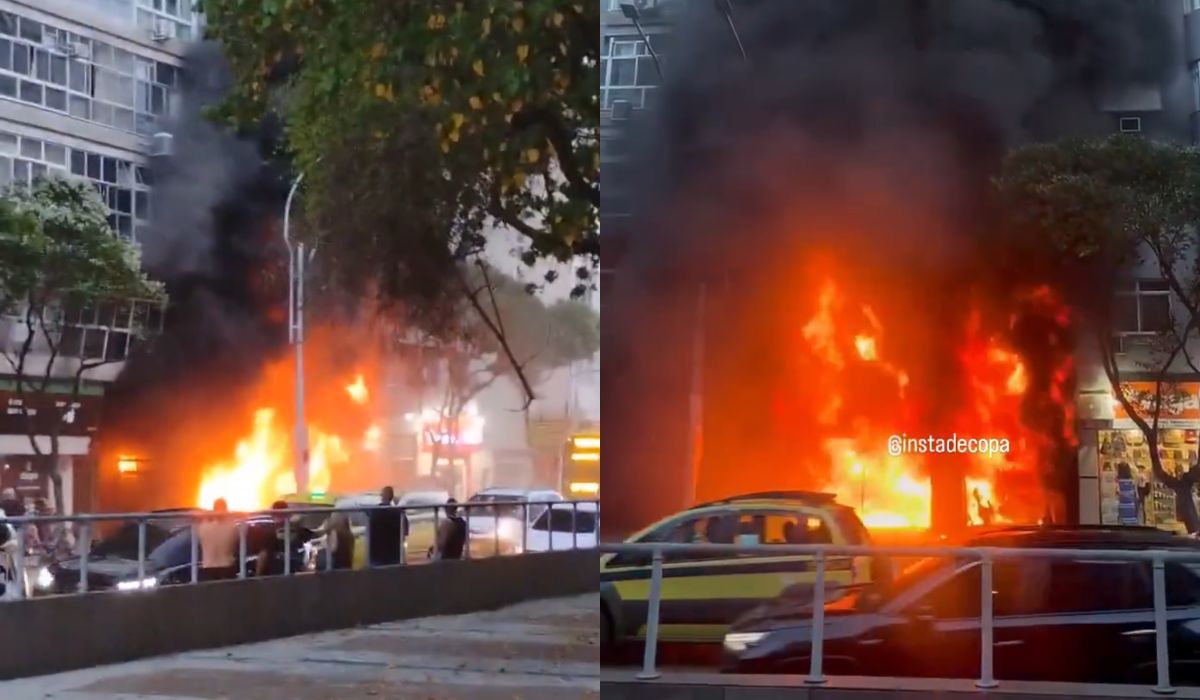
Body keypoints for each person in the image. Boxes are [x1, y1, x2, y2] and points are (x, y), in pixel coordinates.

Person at [197, 498, 237, 581]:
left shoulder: (203, 528)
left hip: (208, 568)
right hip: (227, 568)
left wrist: (207, 516)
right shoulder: (231, 527)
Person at [367, 486, 406, 566]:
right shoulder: (398, 512)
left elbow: (369, 530)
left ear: (382, 496)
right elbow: (405, 530)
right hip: (393, 555)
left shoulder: (374, 512)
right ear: (392, 497)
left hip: (377, 555)